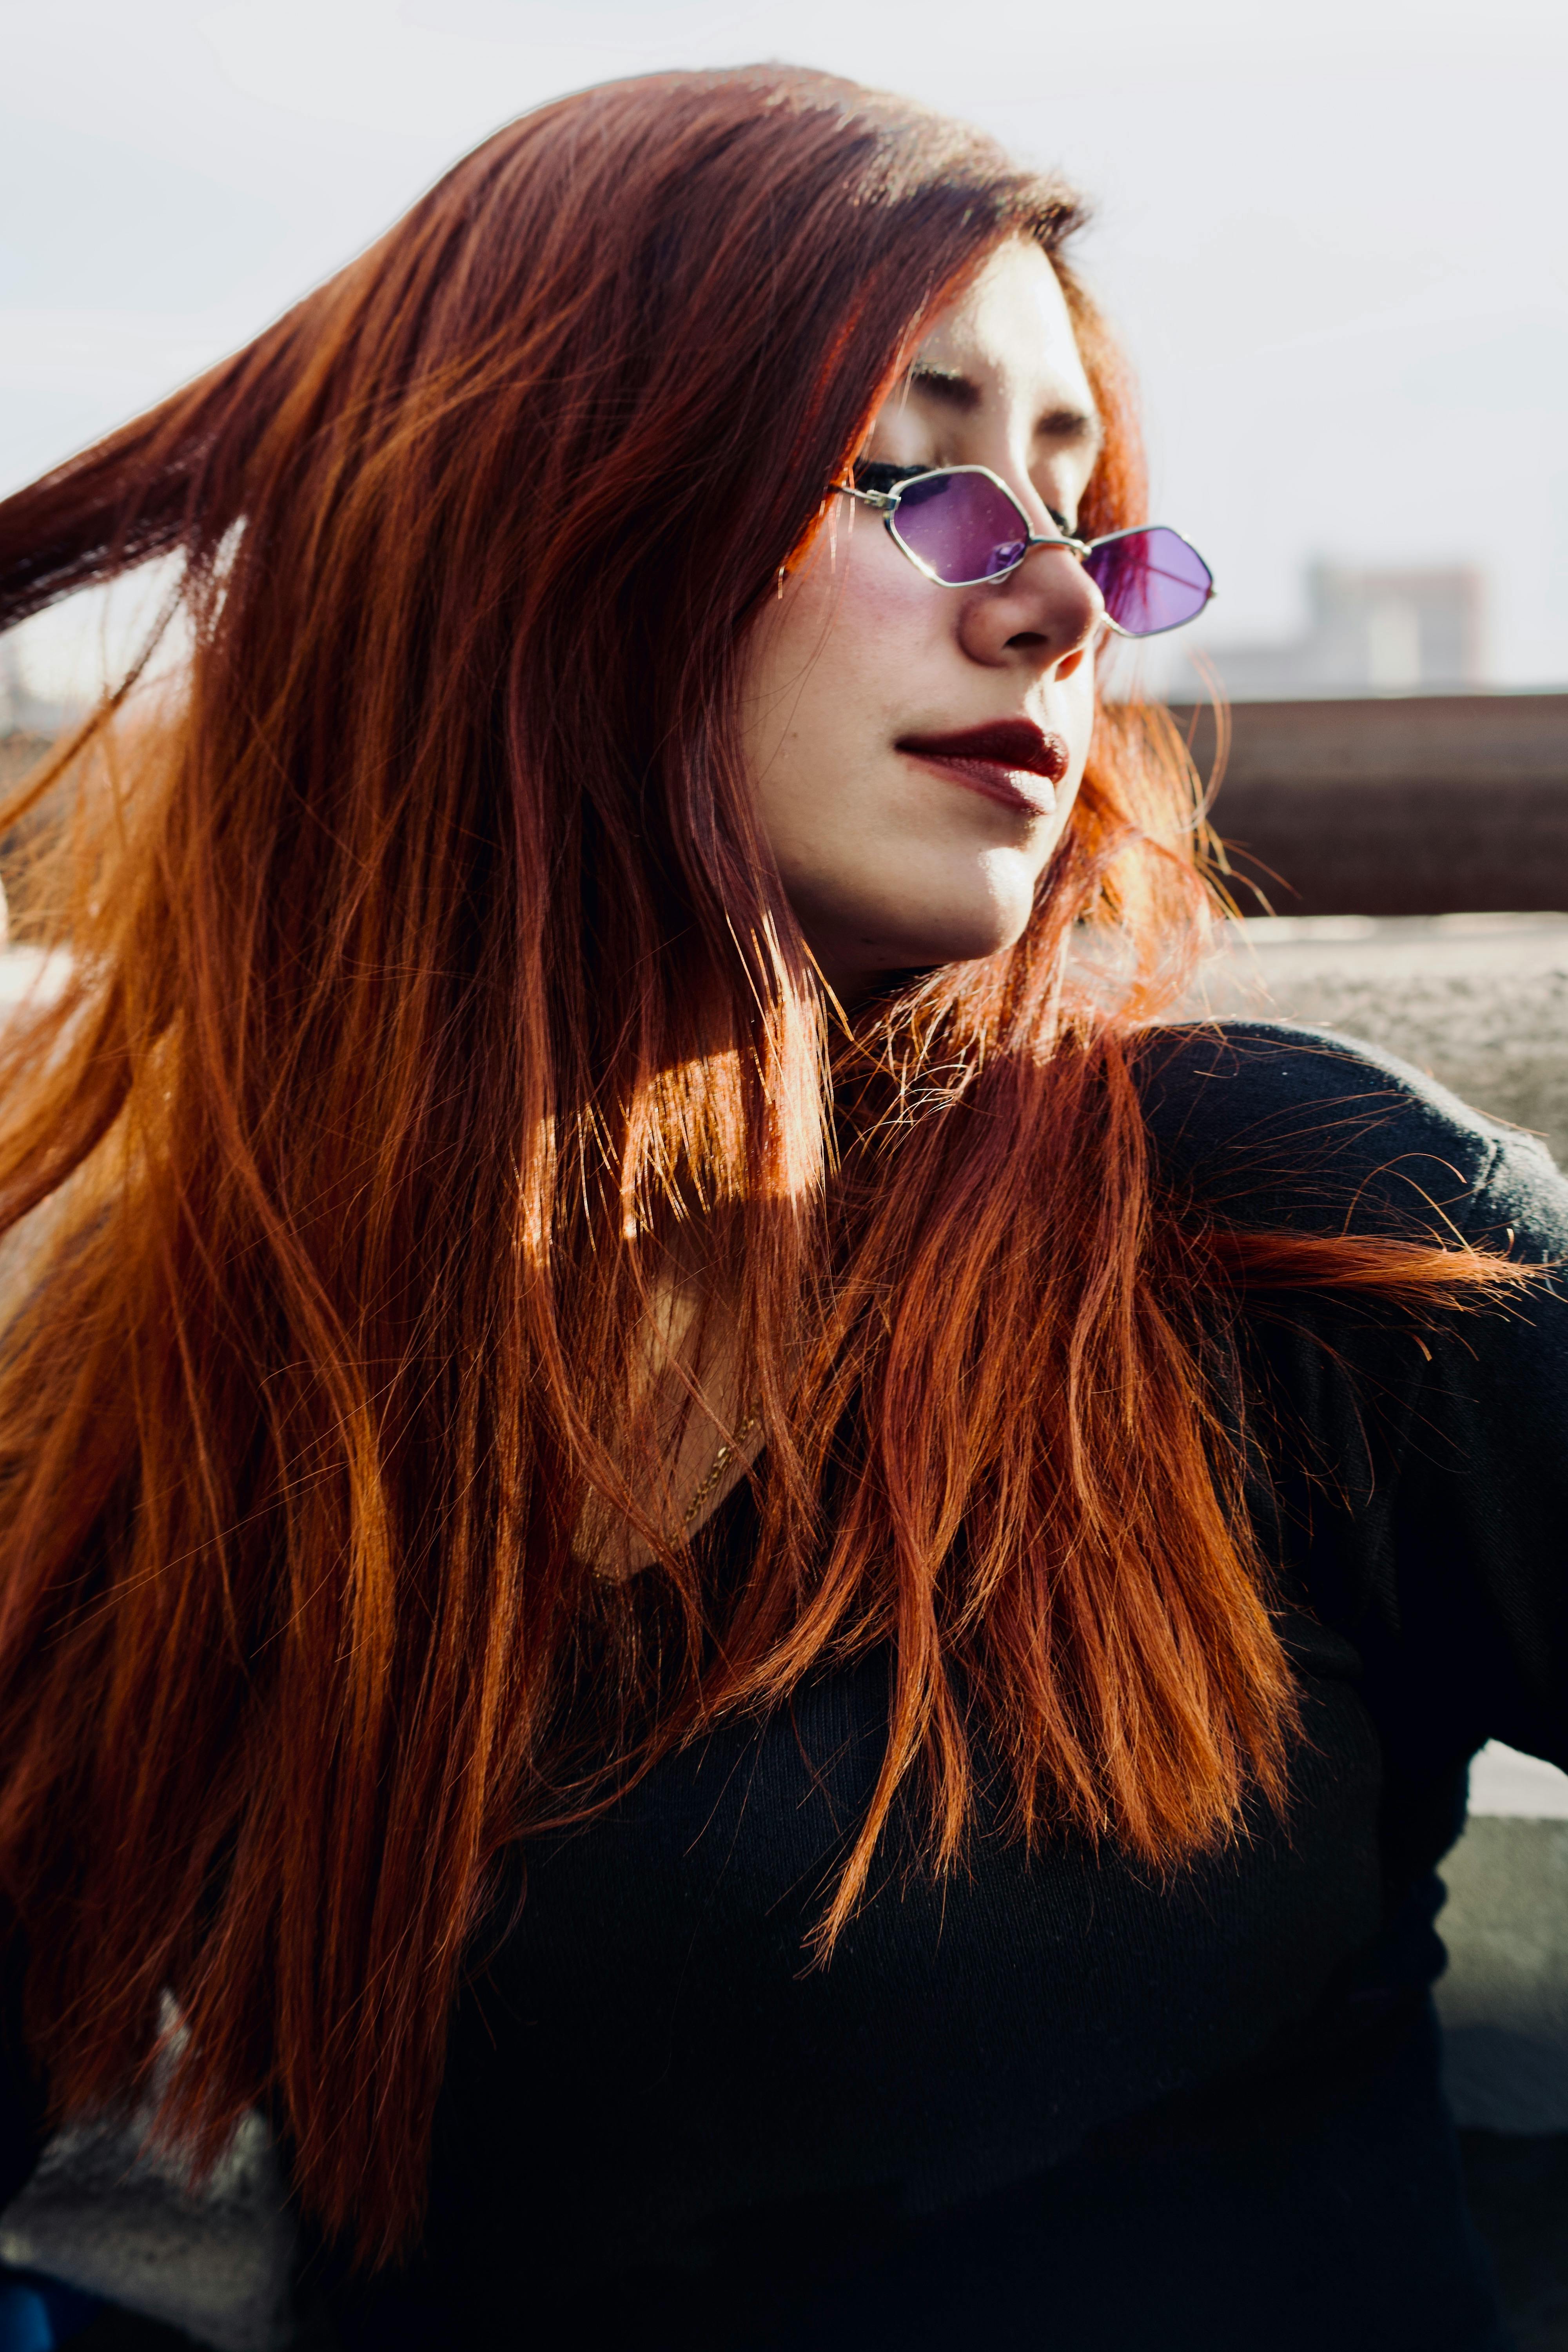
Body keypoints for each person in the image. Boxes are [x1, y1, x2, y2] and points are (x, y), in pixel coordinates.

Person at [0, 63, 1559, 2352]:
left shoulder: (1275, 1223)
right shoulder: (205, 1374)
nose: (1057, 603)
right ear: (543, 514)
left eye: (1084, 511)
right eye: (917, 477)